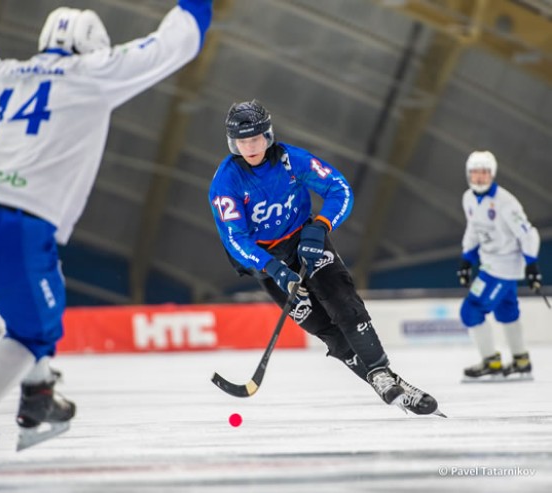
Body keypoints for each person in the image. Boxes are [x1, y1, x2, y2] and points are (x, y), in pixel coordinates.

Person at [0, 0, 212, 467]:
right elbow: (176, 42)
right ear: (90, 46)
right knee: (38, 325)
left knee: (29, 308)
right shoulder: (95, 71)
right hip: (12, 227)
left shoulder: (3, 74)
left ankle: (38, 394)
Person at [209, 100, 443, 417]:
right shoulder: (226, 182)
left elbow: (339, 189)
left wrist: (320, 227)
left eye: (255, 139)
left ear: (268, 136)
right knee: (324, 327)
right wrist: (274, 268)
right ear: (232, 142)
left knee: (343, 302)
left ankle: (379, 371)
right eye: (241, 141)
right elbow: (235, 238)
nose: (249, 147)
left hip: (305, 240)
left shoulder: (292, 161)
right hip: (266, 259)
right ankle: (385, 379)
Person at [457, 150, 541, 381]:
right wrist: (467, 259)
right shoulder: (469, 198)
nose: (479, 178)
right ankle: (521, 360)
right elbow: (473, 230)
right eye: (474, 173)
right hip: (490, 263)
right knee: (507, 312)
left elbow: (528, 234)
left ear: (492, 175)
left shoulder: (506, 202)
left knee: (471, 310)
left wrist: (532, 265)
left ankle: (491, 361)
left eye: (484, 173)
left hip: (502, 269)